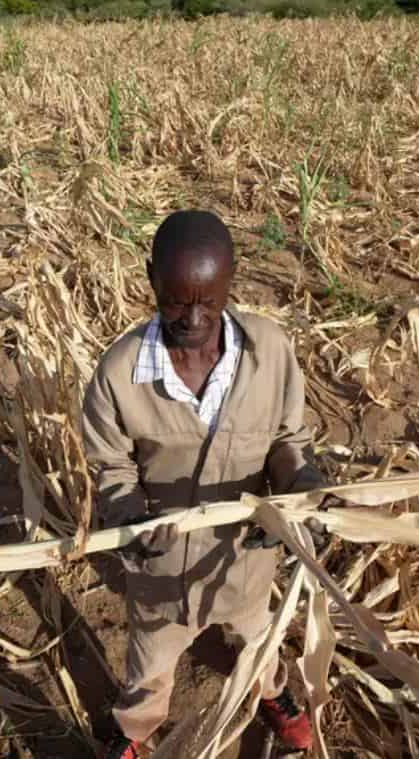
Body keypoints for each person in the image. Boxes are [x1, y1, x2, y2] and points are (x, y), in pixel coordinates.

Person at [82, 210, 326, 758]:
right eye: (175, 301)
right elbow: (114, 469)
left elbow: (288, 442)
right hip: (161, 576)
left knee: (259, 642)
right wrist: (129, 515)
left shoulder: (269, 352)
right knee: (149, 667)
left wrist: (299, 488)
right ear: (151, 279)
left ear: (230, 283)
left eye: (208, 303)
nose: (192, 318)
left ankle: (273, 694)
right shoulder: (119, 375)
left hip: (244, 564)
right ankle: (132, 730)